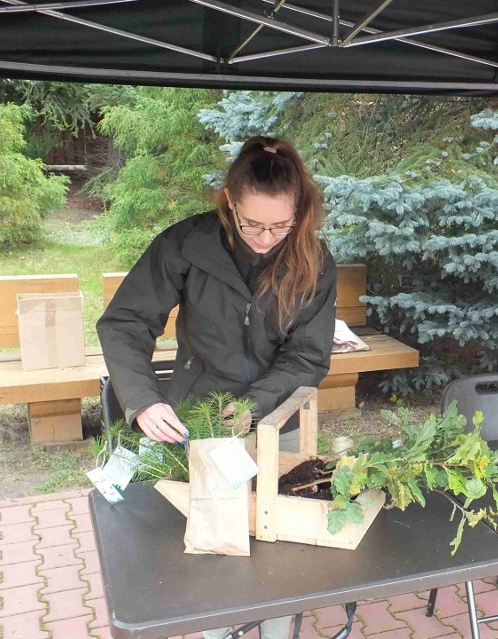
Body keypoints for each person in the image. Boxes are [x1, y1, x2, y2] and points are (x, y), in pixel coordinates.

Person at [97, 136, 337, 639]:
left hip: (277, 422)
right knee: (210, 546)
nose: (266, 237)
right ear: (230, 200)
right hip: (199, 422)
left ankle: (275, 630)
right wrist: (142, 400)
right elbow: (124, 323)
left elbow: (308, 356)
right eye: (253, 223)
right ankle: (216, 630)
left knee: (277, 554)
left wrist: (253, 406)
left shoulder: (312, 260)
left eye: (281, 225)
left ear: (299, 211)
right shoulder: (187, 244)